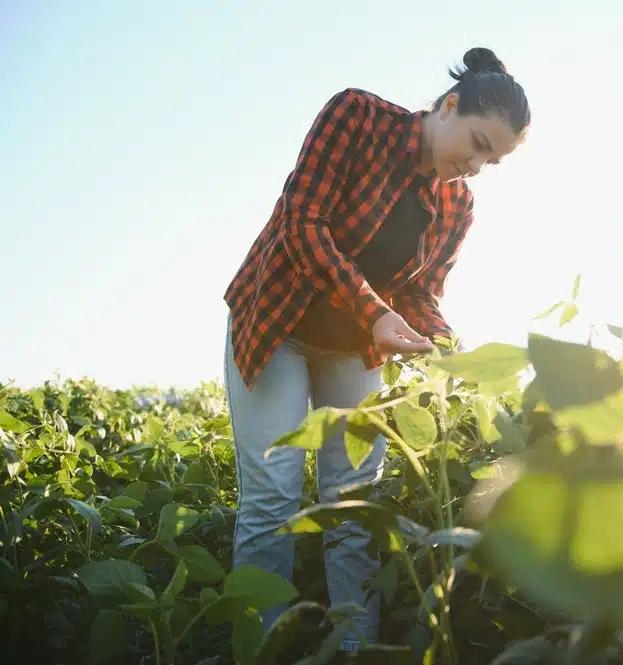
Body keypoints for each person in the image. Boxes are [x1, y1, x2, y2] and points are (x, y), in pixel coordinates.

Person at [221, 47, 530, 651]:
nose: (475, 164)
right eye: (477, 142)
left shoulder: (456, 205)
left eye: (491, 160)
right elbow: (302, 222)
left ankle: (356, 652)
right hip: (275, 326)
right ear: (446, 106)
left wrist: (445, 348)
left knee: (356, 507)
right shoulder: (357, 117)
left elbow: (421, 294)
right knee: (273, 497)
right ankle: (262, 650)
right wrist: (374, 311)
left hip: (355, 349)